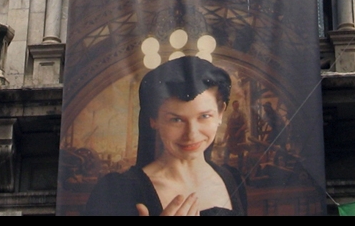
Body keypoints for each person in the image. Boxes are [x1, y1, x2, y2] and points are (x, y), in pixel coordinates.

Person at [84, 57, 248, 216]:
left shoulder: (232, 180)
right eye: (176, 120)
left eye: (204, 116)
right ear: (153, 119)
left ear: (220, 113)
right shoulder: (117, 193)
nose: (191, 134)